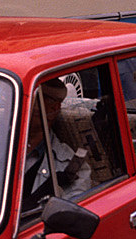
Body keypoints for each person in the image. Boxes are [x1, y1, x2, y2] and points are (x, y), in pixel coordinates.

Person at [21, 78, 92, 211]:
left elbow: (71, 216)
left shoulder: (70, 166)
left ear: (53, 108)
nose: (20, 106)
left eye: (31, 99)